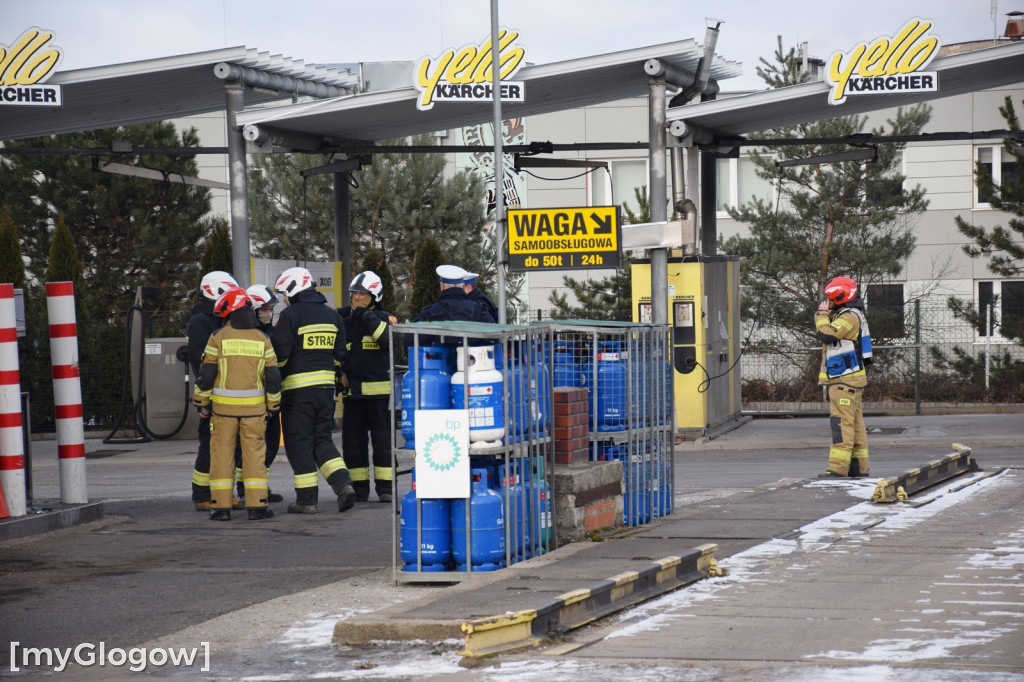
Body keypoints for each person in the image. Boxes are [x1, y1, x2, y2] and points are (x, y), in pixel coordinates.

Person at [271, 266, 357, 514]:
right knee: (322, 440)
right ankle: (343, 485)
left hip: (297, 393)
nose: (284, 300)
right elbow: (340, 354)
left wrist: (277, 377)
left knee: (299, 443)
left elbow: (280, 355)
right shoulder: (332, 315)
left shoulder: (290, 316)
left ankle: (306, 500)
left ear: (293, 289)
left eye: (284, 294)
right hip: (325, 391)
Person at [192, 286, 281, 521]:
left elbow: (206, 374)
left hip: (222, 412)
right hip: (255, 412)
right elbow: (273, 377)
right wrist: (273, 406)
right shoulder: (262, 339)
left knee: (221, 457)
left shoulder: (217, 337)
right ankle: (258, 507)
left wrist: (201, 403)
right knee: (254, 457)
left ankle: (220, 508)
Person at [337, 271, 397, 503]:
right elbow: (338, 351)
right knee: (352, 444)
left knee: (383, 444)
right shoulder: (347, 321)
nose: (357, 297)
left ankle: (386, 487)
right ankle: (359, 489)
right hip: (353, 394)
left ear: (375, 296)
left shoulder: (385, 319)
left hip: (380, 396)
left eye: (362, 294)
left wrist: (365, 316)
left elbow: (387, 341)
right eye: (354, 293)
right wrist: (339, 372)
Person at [186, 270, 241, 512]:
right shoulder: (202, 321)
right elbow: (204, 363)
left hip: (224, 393)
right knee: (210, 445)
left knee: (226, 447)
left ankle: (220, 494)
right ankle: (202, 495)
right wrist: (205, 399)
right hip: (212, 394)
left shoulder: (216, 318)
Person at [814, 276, 873, 478]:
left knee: (841, 425)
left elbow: (827, 335)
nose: (828, 303)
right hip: (850, 380)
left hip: (843, 381)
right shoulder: (851, 314)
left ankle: (837, 469)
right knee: (855, 426)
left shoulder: (849, 317)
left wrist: (821, 315)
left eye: (830, 299)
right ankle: (858, 468)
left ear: (839, 297)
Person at [244, 283, 284, 504]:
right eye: (264, 309)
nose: (268, 313)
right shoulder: (248, 335)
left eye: (270, 309)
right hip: (253, 401)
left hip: (270, 400)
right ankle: (245, 489)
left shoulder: (271, 333)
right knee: (251, 447)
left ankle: (262, 487)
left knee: (270, 444)